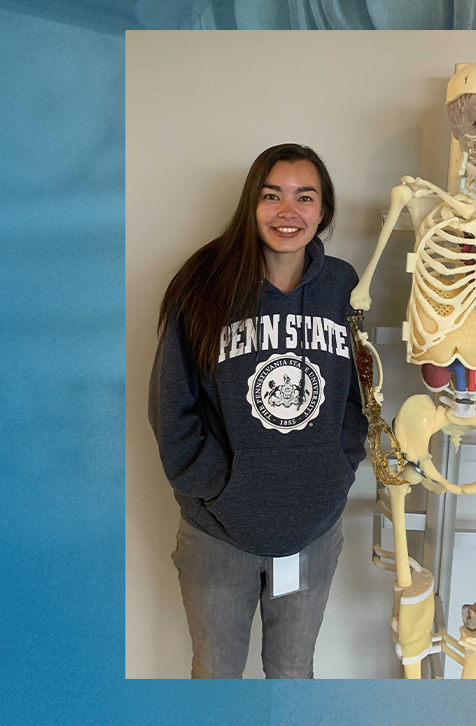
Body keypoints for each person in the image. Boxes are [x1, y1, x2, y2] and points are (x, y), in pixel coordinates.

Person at [148, 144, 368, 679]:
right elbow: (169, 406)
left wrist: (335, 470)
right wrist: (218, 485)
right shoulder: (202, 283)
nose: (287, 212)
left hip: (313, 531)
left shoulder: (343, 286)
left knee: (294, 675)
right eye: (272, 196)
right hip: (217, 532)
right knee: (217, 676)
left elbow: (361, 394)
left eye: (304, 197)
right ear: (251, 204)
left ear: (323, 210)